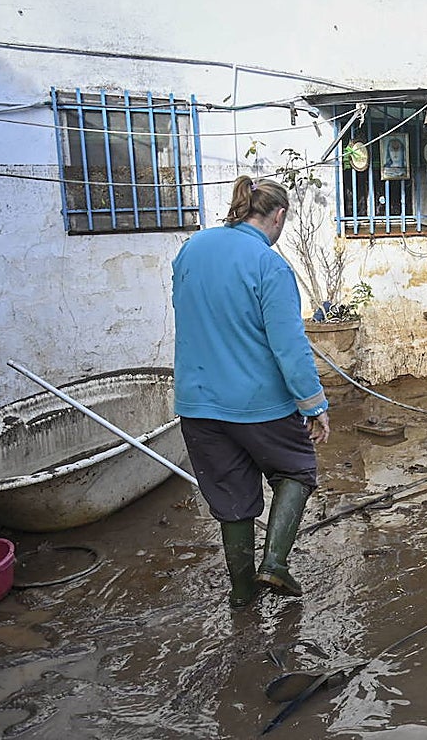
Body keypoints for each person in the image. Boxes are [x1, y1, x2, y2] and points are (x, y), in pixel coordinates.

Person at [171, 175, 330, 609]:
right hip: (259, 403)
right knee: (296, 470)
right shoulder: (268, 264)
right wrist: (313, 404)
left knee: (231, 498)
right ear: (278, 216)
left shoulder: (192, 249)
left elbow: (185, 315)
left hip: (198, 403)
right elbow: (289, 345)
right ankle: (274, 564)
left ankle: (242, 594)